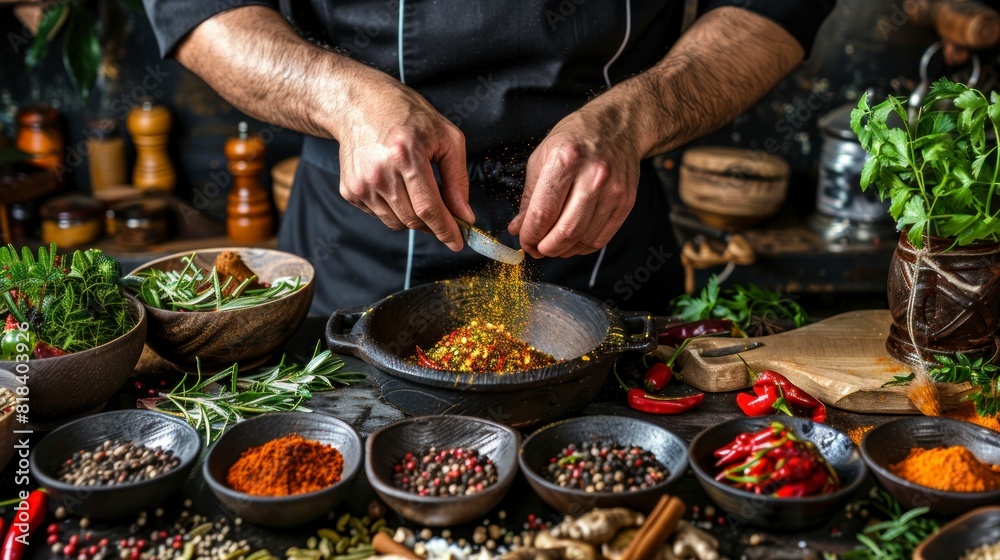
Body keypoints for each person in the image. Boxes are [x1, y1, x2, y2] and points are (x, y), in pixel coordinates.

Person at [142, 1, 835, 316]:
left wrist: (634, 117)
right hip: (357, 251)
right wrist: (341, 96)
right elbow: (202, 10)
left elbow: (773, 9)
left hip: (606, 251)